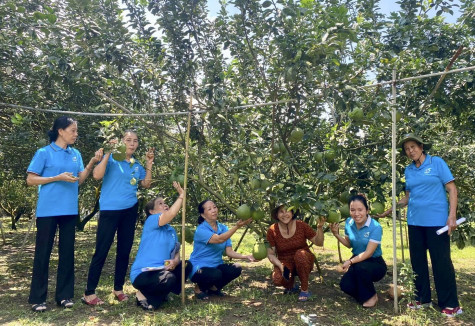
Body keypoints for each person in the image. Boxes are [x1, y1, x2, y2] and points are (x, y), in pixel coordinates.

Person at [377, 133, 462, 317]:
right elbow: (408, 197)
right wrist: (391, 209)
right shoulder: (409, 170)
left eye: (413, 147)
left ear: (421, 147)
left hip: (437, 223)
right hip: (415, 222)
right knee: (418, 262)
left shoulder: (437, 163)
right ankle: (422, 298)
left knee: (441, 262)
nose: (410, 151)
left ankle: (450, 304)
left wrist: (452, 216)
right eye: (407, 149)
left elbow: (452, 189)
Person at [26, 116, 102, 312]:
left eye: (76, 131)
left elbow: (79, 179)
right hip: (48, 211)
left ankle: (64, 296)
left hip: (69, 211)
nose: (76, 134)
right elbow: (31, 180)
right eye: (73, 130)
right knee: (43, 253)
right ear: (61, 131)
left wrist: (92, 162)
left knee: (67, 253)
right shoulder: (44, 152)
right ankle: (37, 298)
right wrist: (56, 177)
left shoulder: (75, 153)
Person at [82, 130, 154, 305]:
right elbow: (97, 175)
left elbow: (146, 183)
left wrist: (149, 163)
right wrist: (108, 152)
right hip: (109, 210)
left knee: (124, 250)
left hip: (129, 210)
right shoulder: (113, 159)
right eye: (128, 140)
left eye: (135, 141)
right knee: (102, 250)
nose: (132, 143)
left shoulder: (136, 165)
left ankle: (118, 288)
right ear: (121, 142)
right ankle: (89, 292)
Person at [129, 181, 190, 310]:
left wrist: (175, 260)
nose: (165, 204)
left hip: (163, 268)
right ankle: (143, 294)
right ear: (152, 211)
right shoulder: (151, 221)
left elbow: (176, 251)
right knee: (169, 278)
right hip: (144, 272)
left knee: (186, 266)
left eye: (164, 202)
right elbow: (171, 214)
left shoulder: (171, 230)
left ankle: (162, 292)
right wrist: (181, 196)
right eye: (160, 203)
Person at [188, 200, 255, 300]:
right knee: (216, 274)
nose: (214, 210)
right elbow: (219, 239)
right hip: (199, 268)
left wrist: (246, 256)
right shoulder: (201, 230)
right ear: (203, 215)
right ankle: (199, 289)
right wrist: (237, 226)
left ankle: (213, 288)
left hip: (216, 266)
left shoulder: (223, 228)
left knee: (236, 268)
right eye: (209, 209)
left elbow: (229, 252)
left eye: (214, 207)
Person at [330, 194, 387, 308]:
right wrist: (336, 234)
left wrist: (350, 262)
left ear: (367, 210)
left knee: (362, 268)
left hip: (375, 263)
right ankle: (369, 295)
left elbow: (368, 253)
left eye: (360, 210)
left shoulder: (375, 227)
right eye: (353, 210)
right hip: (357, 260)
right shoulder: (349, 223)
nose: (356, 214)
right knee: (345, 285)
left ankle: (371, 296)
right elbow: (349, 244)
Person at [266, 204, 324, 302]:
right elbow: (270, 254)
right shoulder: (272, 230)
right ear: (277, 214)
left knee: (300, 255)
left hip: (304, 259)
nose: (284, 214)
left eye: (287, 210)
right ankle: (291, 286)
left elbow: (319, 243)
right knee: (277, 279)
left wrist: (319, 227)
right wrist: (281, 266)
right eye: (281, 211)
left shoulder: (301, 225)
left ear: (292, 213)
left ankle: (304, 289)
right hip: (285, 262)